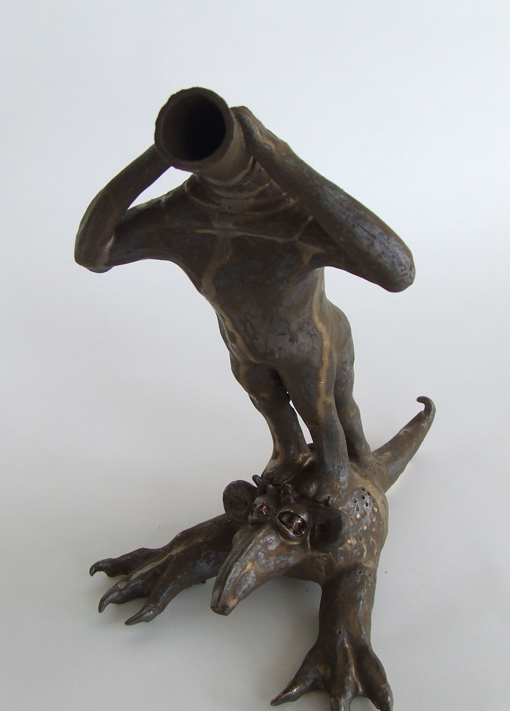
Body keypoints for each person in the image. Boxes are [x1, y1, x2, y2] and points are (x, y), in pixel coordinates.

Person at [75, 96, 415, 506]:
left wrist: (279, 158)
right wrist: (159, 156)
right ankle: (292, 455)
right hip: (244, 349)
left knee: (329, 418)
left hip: (312, 347)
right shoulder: (183, 217)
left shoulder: (292, 218)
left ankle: (345, 470)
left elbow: (398, 270)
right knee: (273, 413)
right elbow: (92, 253)